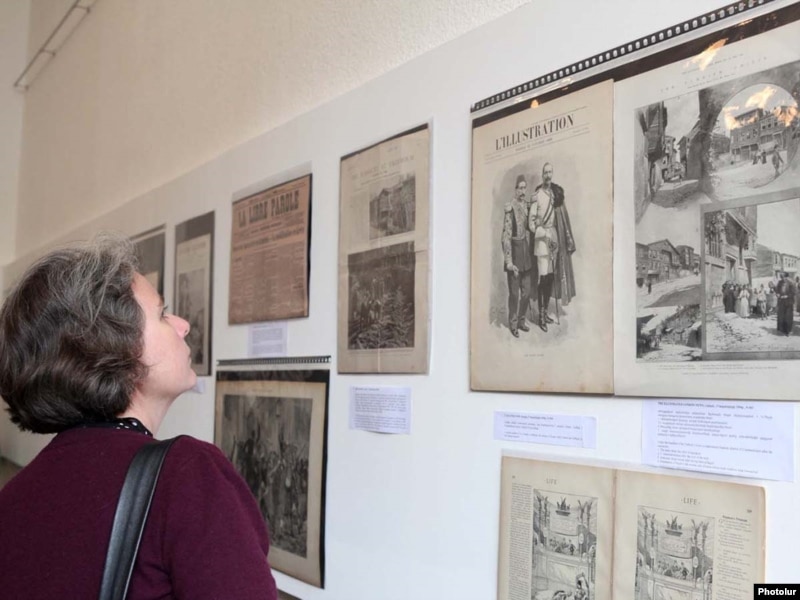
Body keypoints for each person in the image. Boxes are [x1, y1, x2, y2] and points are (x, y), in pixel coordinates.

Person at [0, 235, 278, 599]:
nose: (183, 325)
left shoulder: (15, 495)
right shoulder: (186, 475)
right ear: (114, 347)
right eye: (162, 314)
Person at [529, 163, 576, 331]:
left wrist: (555, 237)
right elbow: (531, 224)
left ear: (552, 174)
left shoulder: (555, 195)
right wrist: (543, 234)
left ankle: (545, 313)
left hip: (554, 242)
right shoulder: (536, 196)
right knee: (542, 278)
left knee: (550, 278)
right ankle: (541, 316)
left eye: (550, 172)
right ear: (542, 175)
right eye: (545, 172)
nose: (548, 175)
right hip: (542, 243)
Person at [502, 174, 533, 337]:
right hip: (514, 254)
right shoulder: (510, 209)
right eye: (520, 188)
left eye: (524, 188)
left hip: (525, 254)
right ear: (515, 190)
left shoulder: (527, 207)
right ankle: (513, 323)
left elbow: (530, 227)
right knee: (514, 293)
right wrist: (508, 261)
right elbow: (506, 236)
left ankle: (521, 320)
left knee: (526, 292)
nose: (522, 191)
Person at [776, 272, 795, 336]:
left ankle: (788, 331)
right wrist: (778, 294)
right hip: (781, 302)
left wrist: (787, 296)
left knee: (788, 317)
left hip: (789, 302)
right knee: (782, 316)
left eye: (783, 277)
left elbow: (793, 292)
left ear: (787, 277)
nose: (782, 279)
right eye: (781, 277)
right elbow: (777, 290)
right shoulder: (779, 282)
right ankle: (783, 330)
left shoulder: (791, 283)